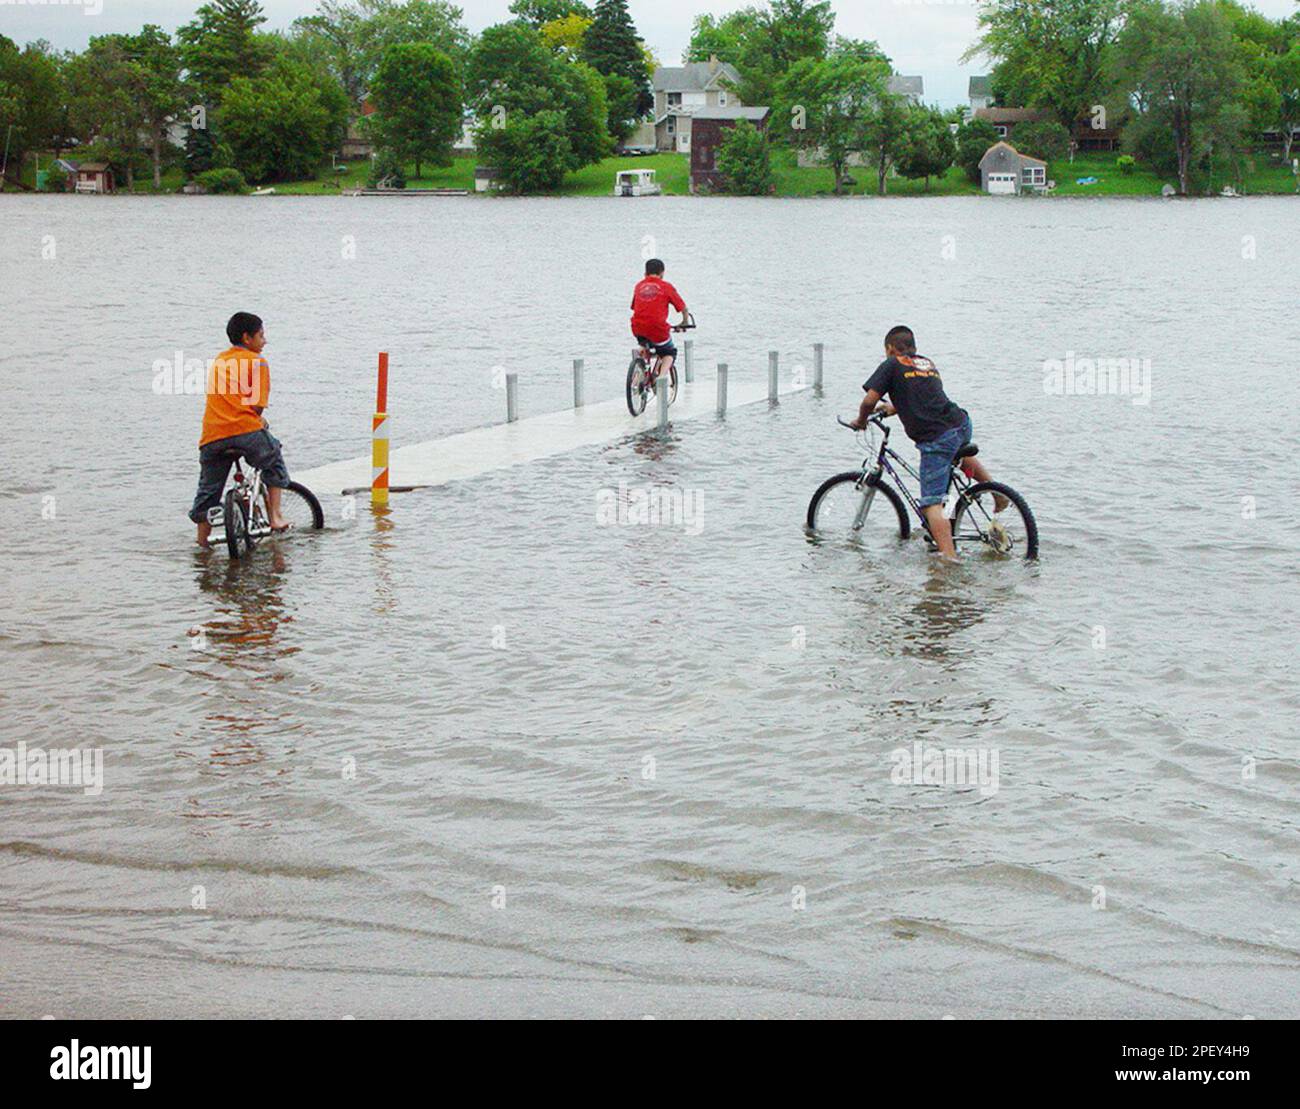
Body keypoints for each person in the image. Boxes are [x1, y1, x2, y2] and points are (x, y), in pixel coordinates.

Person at [851, 325, 1003, 559]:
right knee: (958, 456)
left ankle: (949, 561)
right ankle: (997, 493)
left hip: (937, 437)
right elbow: (921, 398)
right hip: (961, 423)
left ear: (890, 349)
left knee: (931, 503)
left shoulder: (891, 363)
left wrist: (861, 420)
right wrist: (891, 409)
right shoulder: (925, 363)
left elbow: (868, 401)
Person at [188, 312, 292, 549]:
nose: (264, 341)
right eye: (261, 336)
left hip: (212, 435)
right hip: (244, 431)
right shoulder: (257, 362)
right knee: (273, 455)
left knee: (208, 490)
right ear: (247, 338)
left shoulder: (219, 361)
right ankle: (275, 516)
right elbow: (256, 405)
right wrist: (260, 422)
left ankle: (202, 543)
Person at [630, 258, 688, 383]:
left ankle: (640, 371)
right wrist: (685, 322)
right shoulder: (666, 286)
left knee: (644, 345)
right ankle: (661, 378)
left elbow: (635, 307)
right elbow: (683, 308)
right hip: (657, 329)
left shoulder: (639, 286)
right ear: (662, 273)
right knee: (669, 352)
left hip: (637, 328)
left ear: (645, 273)